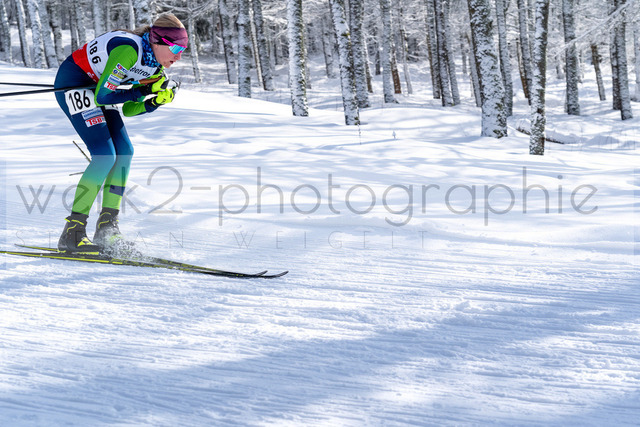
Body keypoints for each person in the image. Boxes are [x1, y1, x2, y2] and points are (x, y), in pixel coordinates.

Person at [53, 12, 188, 253]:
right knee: (105, 155)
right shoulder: (128, 50)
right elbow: (103, 96)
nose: (178, 56)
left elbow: (128, 109)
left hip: (100, 88)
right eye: (176, 49)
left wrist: (155, 101)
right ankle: (72, 232)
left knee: (124, 152)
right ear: (158, 42)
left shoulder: (155, 67)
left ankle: (107, 229)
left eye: (183, 50)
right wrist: (142, 91)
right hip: (76, 81)